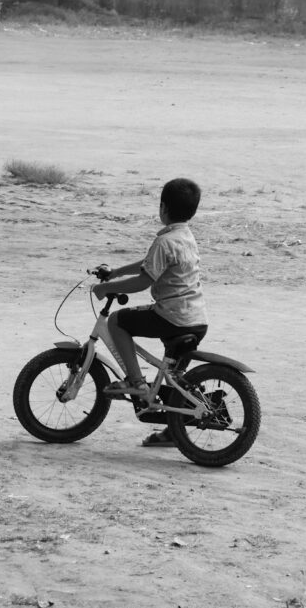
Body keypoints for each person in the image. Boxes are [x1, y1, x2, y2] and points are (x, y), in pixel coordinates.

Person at [91, 178, 208, 448]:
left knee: (119, 321)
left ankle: (137, 383)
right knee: (175, 380)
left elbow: (145, 280)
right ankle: (173, 432)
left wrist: (105, 288)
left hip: (171, 316)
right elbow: (149, 266)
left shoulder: (164, 241)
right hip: (196, 319)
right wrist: (116, 272)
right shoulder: (186, 237)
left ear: (162, 207)